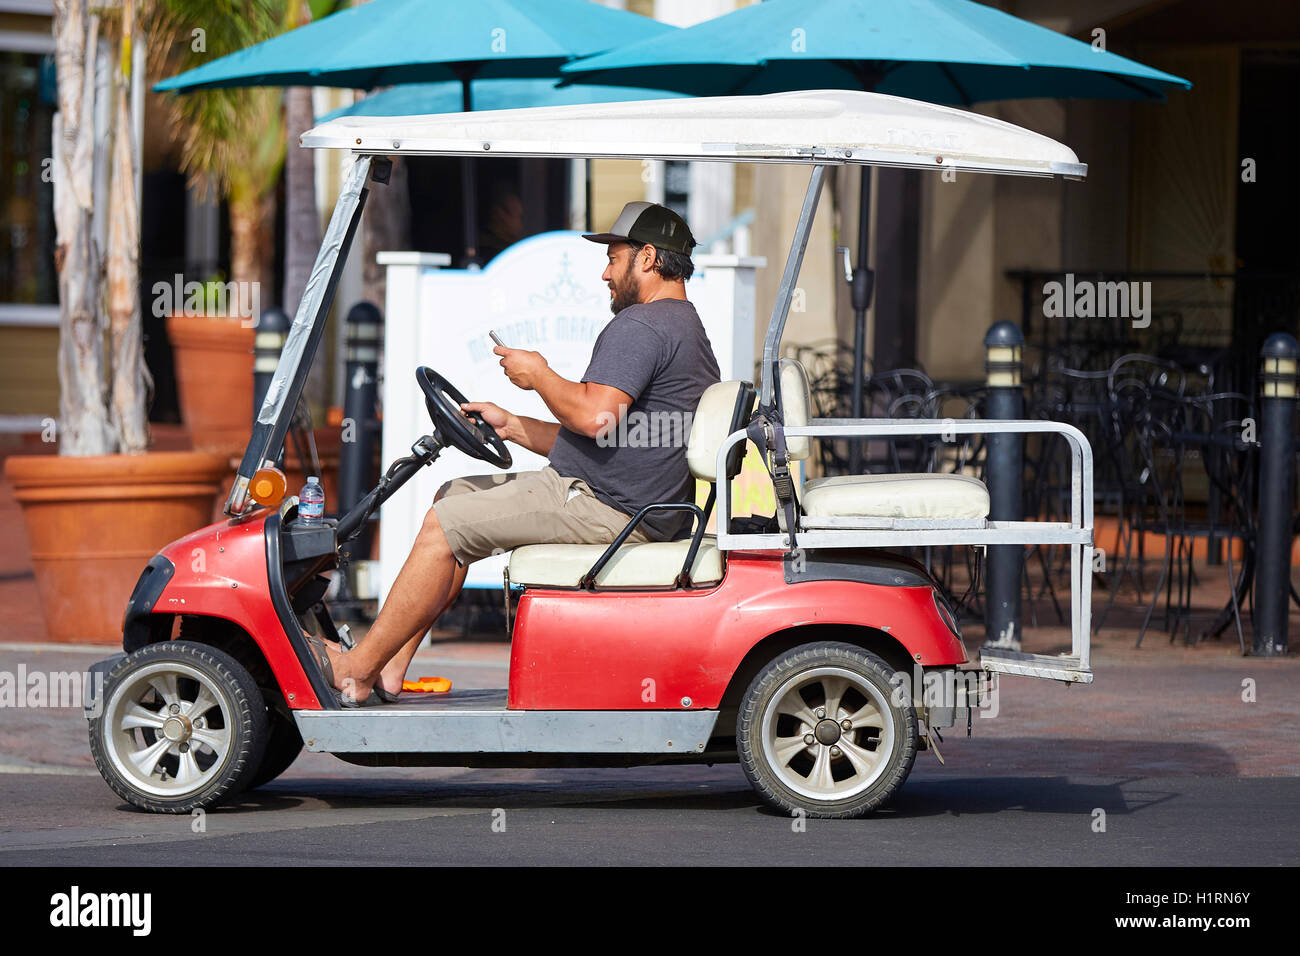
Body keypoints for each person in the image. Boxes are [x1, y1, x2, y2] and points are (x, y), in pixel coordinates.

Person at [319, 202, 721, 703]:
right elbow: (618, 438)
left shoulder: (642, 326)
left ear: (646, 258)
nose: (605, 273)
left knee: (446, 524)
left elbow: (594, 416)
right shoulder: (687, 327)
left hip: (611, 507)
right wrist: (510, 425)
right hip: (634, 502)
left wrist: (538, 374)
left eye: (613, 259)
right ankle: (390, 666)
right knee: (453, 494)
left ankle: (355, 670)